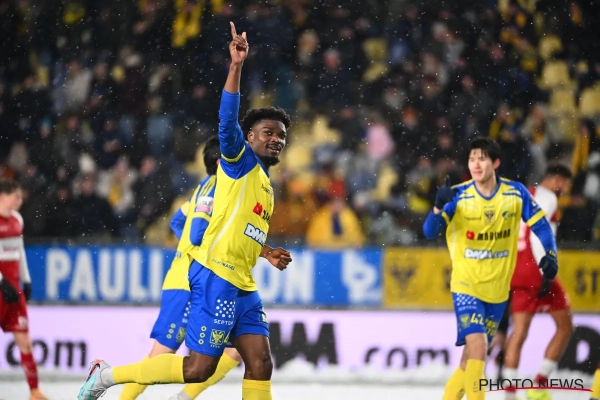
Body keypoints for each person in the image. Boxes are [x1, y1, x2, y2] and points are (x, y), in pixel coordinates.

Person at [78, 22, 292, 400]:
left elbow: (238, 229)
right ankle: (107, 376)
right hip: (215, 275)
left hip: (241, 280)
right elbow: (227, 120)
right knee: (197, 368)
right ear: (249, 138)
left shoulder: (264, 184)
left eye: (282, 136)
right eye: (268, 132)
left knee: (260, 362)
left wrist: (266, 251)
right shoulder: (239, 161)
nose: (276, 139)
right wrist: (236, 66)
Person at [422, 137, 559, 400]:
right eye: (471, 159)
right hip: (466, 286)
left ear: (495, 163)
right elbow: (429, 232)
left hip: (497, 292)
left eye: (482, 158)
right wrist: (438, 207)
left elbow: (541, 225)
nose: (475, 164)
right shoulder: (458, 195)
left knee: (469, 360)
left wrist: (550, 254)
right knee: (479, 346)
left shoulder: (515, 194)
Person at [120, 136, 244, 400]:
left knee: (236, 348)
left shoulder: (207, 187)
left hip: (202, 282)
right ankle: (112, 386)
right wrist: (202, 252)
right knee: (160, 356)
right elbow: (197, 231)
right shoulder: (214, 189)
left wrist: (187, 247)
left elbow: (178, 221)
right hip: (188, 283)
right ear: (221, 162)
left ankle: (183, 398)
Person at [503, 164, 574, 400]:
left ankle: (510, 391)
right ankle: (539, 383)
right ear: (557, 180)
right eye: (565, 184)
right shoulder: (548, 198)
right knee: (565, 327)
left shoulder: (523, 195)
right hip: (537, 267)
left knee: (519, 331)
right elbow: (539, 234)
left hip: (517, 269)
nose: (565, 190)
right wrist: (547, 271)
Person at [0, 179, 47, 400]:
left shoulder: (17, 220)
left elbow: (19, 251)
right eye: (16, 196)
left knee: (25, 341)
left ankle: (34, 391)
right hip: (2, 286)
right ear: (3, 196)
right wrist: (1, 281)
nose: (20, 201)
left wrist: (26, 280)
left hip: (13, 289)